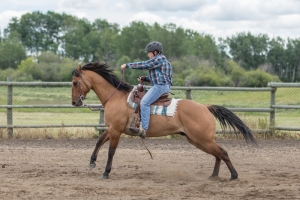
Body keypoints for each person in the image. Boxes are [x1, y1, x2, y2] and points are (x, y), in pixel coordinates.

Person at [120, 41, 172, 138]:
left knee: (144, 102)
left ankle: (144, 129)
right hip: (161, 85)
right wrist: (145, 78)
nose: (148, 54)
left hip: (160, 86)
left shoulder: (159, 59)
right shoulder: (161, 61)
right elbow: (158, 76)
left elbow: (145, 64)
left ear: (155, 52)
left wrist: (127, 65)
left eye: (149, 52)